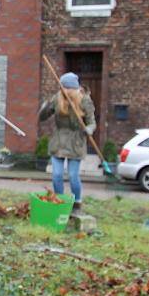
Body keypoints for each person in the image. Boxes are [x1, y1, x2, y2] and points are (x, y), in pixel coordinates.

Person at [39, 72, 96, 213]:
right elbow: (43, 117)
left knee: (72, 176)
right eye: (62, 88)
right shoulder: (57, 98)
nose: (63, 91)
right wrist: (45, 107)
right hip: (59, 140)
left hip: (76, 141)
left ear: (73, 89)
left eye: (66, 88)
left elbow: (92, 122)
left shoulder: (84, 100)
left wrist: (89, 129)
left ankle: (77, 203)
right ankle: (60, 201)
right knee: (57, 175)